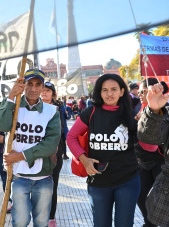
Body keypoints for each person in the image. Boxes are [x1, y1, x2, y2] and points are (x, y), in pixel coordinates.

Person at [67, 74, 140, 227]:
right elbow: (71, 137)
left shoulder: (132, 114)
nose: (109, 94)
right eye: (104, 90)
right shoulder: (91, 112)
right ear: (99, 93)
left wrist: (148, 119)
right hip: (98, 181)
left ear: (122, 92)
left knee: (124, 224)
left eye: (114, 89)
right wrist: (84, 159)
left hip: (127, 180)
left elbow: (149, 146)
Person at [0, 69, 61, 226]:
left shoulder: (52, 111)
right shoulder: (14, 105)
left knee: (41, 221)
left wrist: (19, 155)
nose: (33, 89)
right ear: (23, 85)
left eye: (37, 85)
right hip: (19, 175)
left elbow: (51, 145)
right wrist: (11, 96)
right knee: (20, 221)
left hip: (43, 176)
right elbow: (4, 126)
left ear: (42, 88)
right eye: (29, 84)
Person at [135, 78, 166, 227]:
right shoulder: (138, 108)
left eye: (145, 91)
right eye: (140, 91)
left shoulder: (163, 108)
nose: (141, 94)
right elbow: (145, 137)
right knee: (141, 197)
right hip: (142, 162)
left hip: (160, 162)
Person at [41, 81, 66, 227]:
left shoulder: (57, 109)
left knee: (52, 186)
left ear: (53, 94)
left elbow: (60, 131)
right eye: (42, 90)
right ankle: (39, 215)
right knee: (37, 187)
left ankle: (51, 216)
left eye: (48, 91)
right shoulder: (32, 108)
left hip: (55, 153)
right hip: (36, 154)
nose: (44, 93)